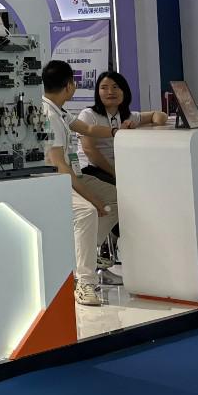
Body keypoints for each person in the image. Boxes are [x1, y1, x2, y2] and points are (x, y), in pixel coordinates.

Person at [42, 61, 127, 308]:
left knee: (118, 199)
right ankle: (84, 281)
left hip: (72, 175)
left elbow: (88, 128)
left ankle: (85, 254)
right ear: (70, 85)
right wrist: (92, 198)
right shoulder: (49, 115)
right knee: (87, 211)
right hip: (56, 179)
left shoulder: (59, 111)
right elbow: (59, 165)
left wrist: (117, 131)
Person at [77, 71, 167, 187]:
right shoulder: (88, 115)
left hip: (119, 169)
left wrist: (153, 125)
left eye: (115, 87)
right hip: (91, 170)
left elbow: (159, 115)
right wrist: (115, 173)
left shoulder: (129, 116)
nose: (110, 92)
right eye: (104, 88)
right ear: (98, 93)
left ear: (124, 91)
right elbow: (89, 150)